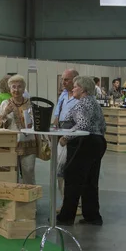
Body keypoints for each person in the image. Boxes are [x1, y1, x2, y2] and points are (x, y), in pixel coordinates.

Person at [56, 76, 107, 226]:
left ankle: (66, 217)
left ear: (83, 89)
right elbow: (103, 126)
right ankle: (93, 216)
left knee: (73, 180)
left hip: (82, 143)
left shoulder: (81, 104)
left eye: (76, 86)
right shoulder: (95, 104)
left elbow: (82, 124)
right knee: (90, 182)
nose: (73, 89)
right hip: (97, 142)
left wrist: (66, 137)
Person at [0, 75, 38, 185]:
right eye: (13, 87)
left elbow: (37, 122)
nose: (16, 90)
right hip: (10, 144)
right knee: (11, 172)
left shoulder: (31, 104)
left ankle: (29, 199)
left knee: (28, 171)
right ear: (9, 89)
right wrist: (5, 113)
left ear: (24, 89)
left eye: (19, 87)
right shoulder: (5, 104)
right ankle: (13, 198)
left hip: (28, 143)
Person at [53, 69, 80, 211]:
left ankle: (75, 205)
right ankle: (65, 202)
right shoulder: (63, 95)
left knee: (73, 171)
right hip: (61, 135)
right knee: (60, 170)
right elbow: (57, 114)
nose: (63, 82)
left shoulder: (80, 97)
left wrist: (69, 136)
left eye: (66, 80)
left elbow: (81, 122)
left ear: (75, 79)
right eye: (62, 79)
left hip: (75, 137)